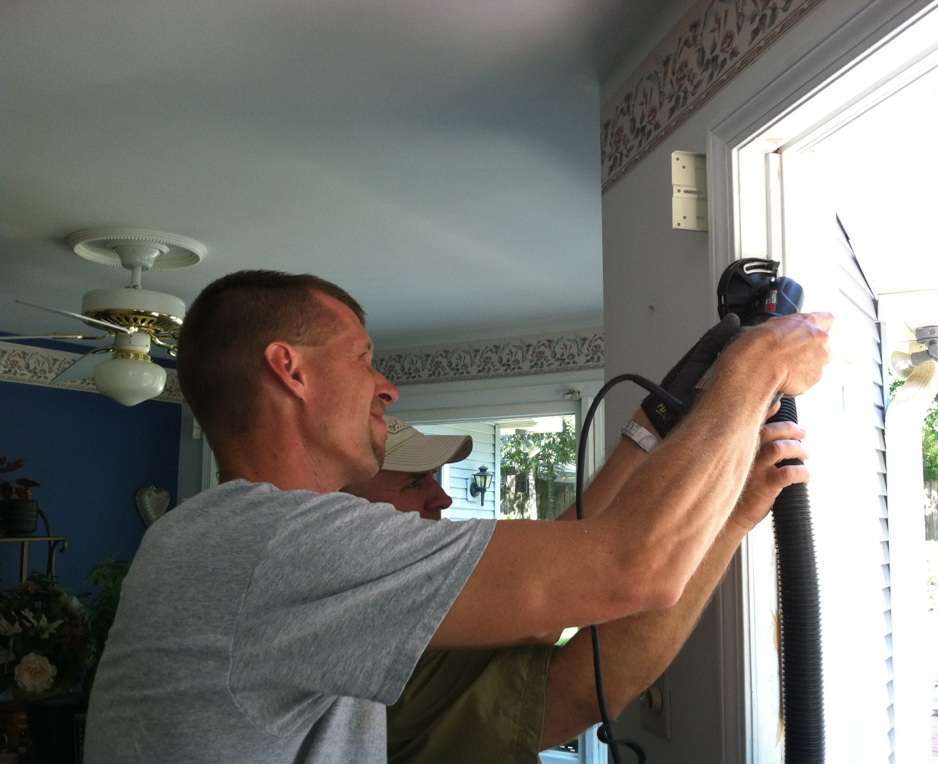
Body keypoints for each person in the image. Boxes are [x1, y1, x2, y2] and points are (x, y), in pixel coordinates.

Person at [84, 270, 830, 763]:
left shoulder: (234, 539)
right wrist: (756, 367)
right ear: (290, 368)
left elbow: (569, 570)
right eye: (363, 357)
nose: (386, 386)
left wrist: (657, 428)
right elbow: (632, 567)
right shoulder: (271, 545)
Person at [348, 412, 809, 762]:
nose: (443, 496)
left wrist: (646, 428)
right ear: (341, 510)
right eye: (414, 483)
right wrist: (733, 515)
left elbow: (566, 551)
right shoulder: (373, 638)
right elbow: (577, 683)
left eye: (434, 477)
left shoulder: (409, 585)